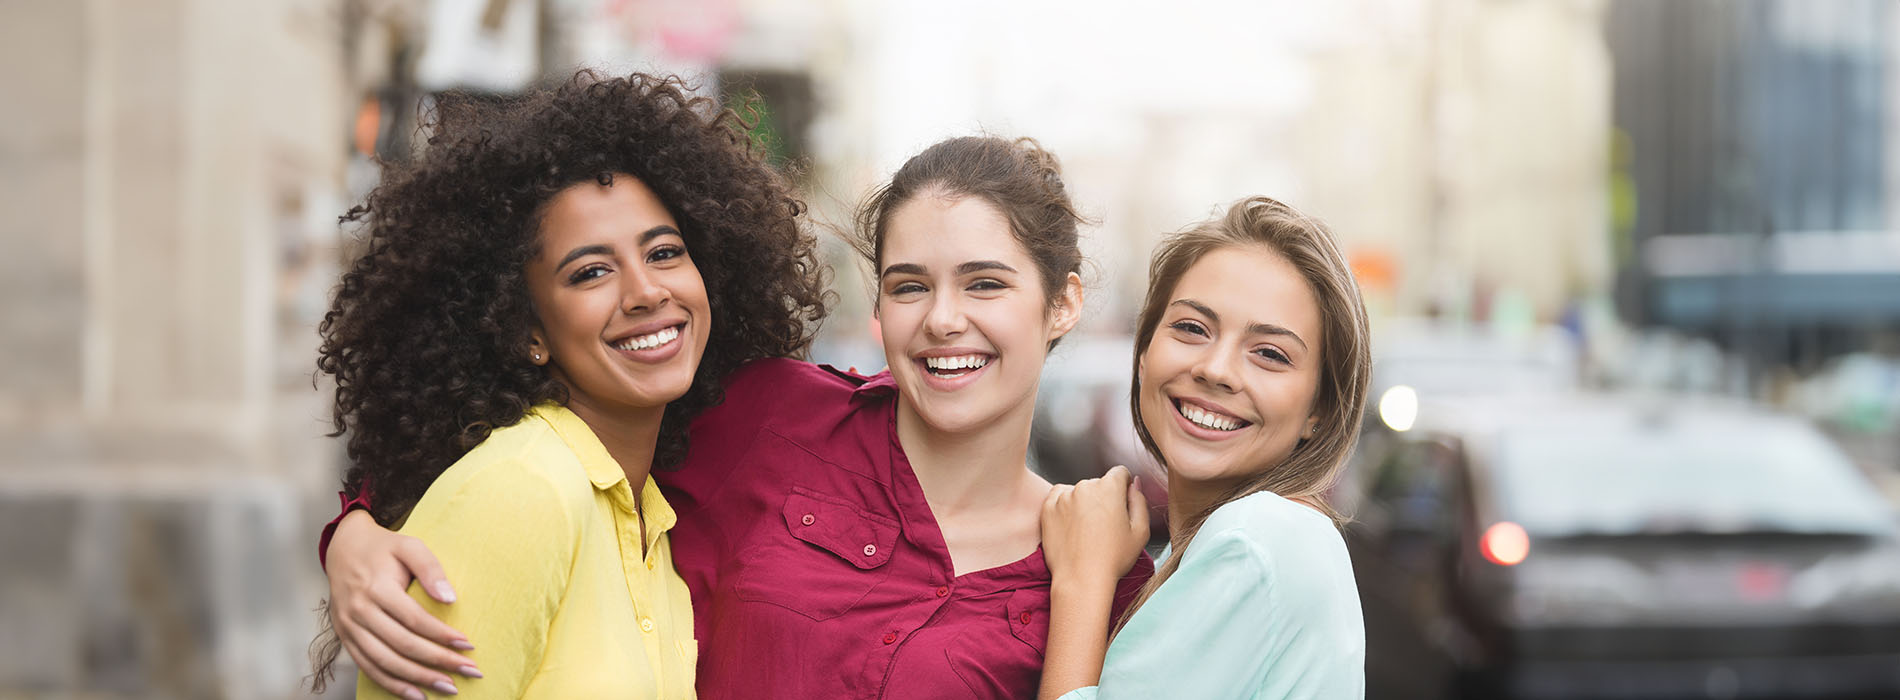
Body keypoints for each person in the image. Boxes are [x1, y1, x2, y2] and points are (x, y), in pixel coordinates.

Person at [320, 135, 1153, 699]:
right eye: (908, 285)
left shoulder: (1101, 568)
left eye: (985, 283)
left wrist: (1083, 591)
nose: (942, 320)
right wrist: (356, 530)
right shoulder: (768, 416)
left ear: (1064, 302)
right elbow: (498, 442)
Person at [307, 71, 827, 699]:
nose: (646, 292)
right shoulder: (522, 491)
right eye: (591, 272)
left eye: (664, 253)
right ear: (528, 330)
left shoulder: (651, 523)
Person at [1038, 196, 1371, 699]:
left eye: (1270, 354)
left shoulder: (1254, 541)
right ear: (1145, 350)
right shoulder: (1221, 541)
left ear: (1318, 409)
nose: (1215, 369)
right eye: (1192, 328)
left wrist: (1081, 580)